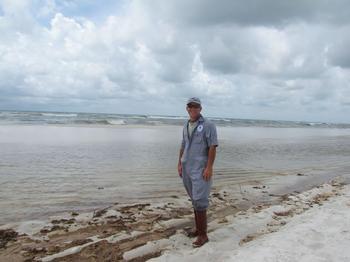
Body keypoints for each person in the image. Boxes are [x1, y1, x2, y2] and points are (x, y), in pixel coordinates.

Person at [177, 97, 218, 248]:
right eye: (190, 106)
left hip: (200, 169)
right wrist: (179, 163)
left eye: (196, 107)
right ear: (187, 108)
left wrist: (209, 167)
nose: (193, 109)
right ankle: (197, 229)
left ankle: (203, 235)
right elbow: (183, 145)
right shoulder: (186, 125)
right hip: (186, 167)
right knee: (194, 199)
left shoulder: (208, 125)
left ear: (200, 109)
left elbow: (213, 147)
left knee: (200, 200)